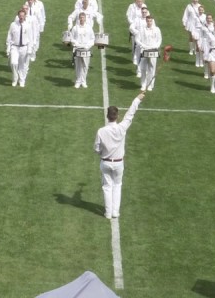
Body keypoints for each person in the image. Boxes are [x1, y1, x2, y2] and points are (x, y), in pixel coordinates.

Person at [94, 91, 146, 220]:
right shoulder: (122, 128)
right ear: (117, 116)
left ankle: (107, 212)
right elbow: (130, 114)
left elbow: (96, 148)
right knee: (117, 186)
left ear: (107, 116)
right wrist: (137, 99)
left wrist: (102, 153)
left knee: (107, 187)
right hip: (118, 163)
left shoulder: (101, 131)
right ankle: (115, 212)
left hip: (105, 162)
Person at [5, 8, 33, 87]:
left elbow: (30, 38)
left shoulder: (28, 25)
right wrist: (8, 47)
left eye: (23, 16)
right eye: (20, 16)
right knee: (13, 63)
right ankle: (15, 78)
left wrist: (29, 49)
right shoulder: (13, 24)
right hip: (15, 47)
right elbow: (9, 36)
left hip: (24, 47)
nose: (21, 17)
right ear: (18, 16)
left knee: (22, 65)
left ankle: (22, 80)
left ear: (25, 16)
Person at [69, 11, 95, 89]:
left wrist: (87, 46)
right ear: (79, 19)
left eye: (83, 18)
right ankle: (78, 81)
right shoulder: (75, 28)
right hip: (77, 49)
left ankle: (83, 81)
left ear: (85, 19)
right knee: (78, 65)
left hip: (86, 49)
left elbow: (92, 38)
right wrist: (77, 44)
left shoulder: (89, 28)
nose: (82, 19)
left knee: (85, 65)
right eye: (80, 18)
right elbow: (72, 38)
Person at [137, 14, 163, 91]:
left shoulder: (157, 29)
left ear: (152, 21)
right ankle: (143, 84)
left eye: (150, 21)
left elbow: (159, 40)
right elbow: (138, 39)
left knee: (152, 68)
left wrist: (155, 46)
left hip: (153, 50)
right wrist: (143, 45)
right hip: (144, 49)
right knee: (143, 68)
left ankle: (150, 85)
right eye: (148, 21)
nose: (149, 22)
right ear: (146, 21)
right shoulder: (142, 29)